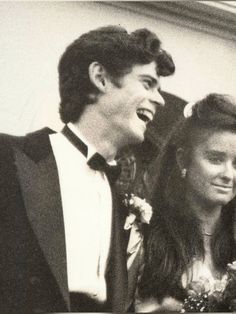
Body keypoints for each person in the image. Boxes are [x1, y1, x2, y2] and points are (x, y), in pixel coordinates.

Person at [0, 25, 175, 313]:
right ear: (100, 77)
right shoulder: (9, 159)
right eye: (147, 83)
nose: (160, 99)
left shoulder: (118, 199)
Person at [136, 93, 236, 312]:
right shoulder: (146, 236)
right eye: (216, 159)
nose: (229, 174)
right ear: (183, 159)